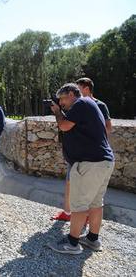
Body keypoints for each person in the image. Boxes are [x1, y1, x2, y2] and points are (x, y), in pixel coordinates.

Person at [48, 83, 114, 255]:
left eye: (62, 99)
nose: (61, 103)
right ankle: (92, 239)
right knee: (95, 204)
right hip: (103, 162)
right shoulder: (88, 104)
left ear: (71, 93)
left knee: (79, 205)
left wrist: (56, 112)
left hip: (90, 164)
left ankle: (72, 244)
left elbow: (64, 126)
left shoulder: (80, 103)